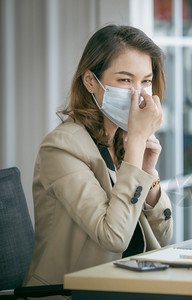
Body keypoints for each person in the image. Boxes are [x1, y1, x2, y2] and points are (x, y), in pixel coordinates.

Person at [24, 25, 173, 287]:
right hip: (73, 292)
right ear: (91, 81)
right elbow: (114, 237)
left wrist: (148, 174)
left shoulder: (123, 141)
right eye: (125, 80)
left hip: (130, 286)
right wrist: (137, 145)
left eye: (146, 81)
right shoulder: (61, 147)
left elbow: (163, 237)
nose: (138, 93)